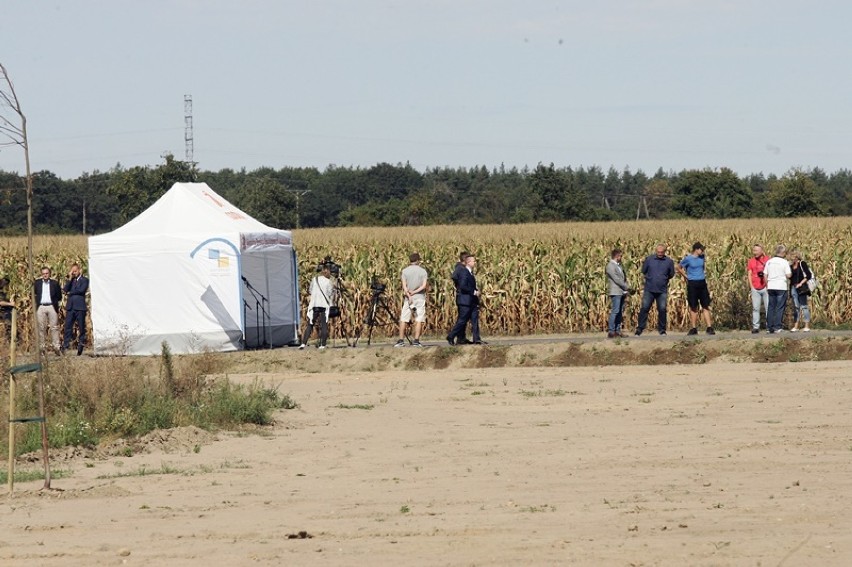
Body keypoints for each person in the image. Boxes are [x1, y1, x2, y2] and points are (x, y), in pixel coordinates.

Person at [635, 244, 675, 336]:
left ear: (665, 252)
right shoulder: (649, 259)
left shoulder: (669, 261)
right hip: (649, 288)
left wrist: (663, 279)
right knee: (644, 308)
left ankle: (662, 330)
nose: (660, 254)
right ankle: (639, 329)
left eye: (662, 252)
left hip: (662, 290)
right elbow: (644, 271)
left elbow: (671, 274)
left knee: (662, 309)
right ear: (655, 251)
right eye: (658, 252)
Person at [676, 242, 715, 335]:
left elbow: (703, 267)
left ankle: (709, 327)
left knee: (705, 305)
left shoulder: (702, 257)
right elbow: (678, 267)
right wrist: (686, 276)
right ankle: (694, 328)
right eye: (701, 249)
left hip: (702, 283)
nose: (702, 251)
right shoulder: (688, 259)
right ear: (696, 249)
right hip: (692, 283)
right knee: (693, 306)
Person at [447, 253, 482, 345]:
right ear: (468, 262)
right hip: (465, 300)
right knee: (462, 320)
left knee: (475, 320)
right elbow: (463, 286)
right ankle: (451, 336)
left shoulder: (469, 272)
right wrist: (474, 292)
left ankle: (477, 339)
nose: (475, 262)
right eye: (473, 261)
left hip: (472, 301)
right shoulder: (463, 272)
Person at [395, 253, 428, 347]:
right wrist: (415, 292)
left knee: (404, 319)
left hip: (408, 298)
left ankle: (401, 340)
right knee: (419, 319)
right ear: (418, 260)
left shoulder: (405, 271)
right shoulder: (423, 271)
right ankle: (416, 341)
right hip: (419, 297)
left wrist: (409, 294)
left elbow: (404, 285)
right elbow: (424, 286)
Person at [299, 263, 335, 349]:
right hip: (324, 305)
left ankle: (303, 343)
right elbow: (330, 293)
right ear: (327, 272)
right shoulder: (328, 282)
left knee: (310, 323)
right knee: (324, 324)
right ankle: (323, 344)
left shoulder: (314, 280)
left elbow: (310, 290)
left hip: (314, 304)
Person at [62, 263, 89, 355]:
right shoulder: (71, 281)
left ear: (79, 270)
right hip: (71, 307)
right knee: (68, 327)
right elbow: (65, 290)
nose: (74, 273)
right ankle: (65, 345)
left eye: (75, 271)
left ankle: (81, 344)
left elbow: (81, 290)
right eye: (72, 271)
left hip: (80, 307)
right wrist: (69, 279)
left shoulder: (85, 280)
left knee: (81, 327)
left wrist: (70, 293)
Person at [33, 266, 62, 354]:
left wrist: (55, 304)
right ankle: (42, 348)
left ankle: (56, 347)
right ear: (41, 274)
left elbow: (59, 296)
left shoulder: (54, 283)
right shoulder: (37, 283)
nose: (45, 275)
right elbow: (34, 293)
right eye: (43, 274)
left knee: (54, 327)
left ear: (49, 274)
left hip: (51, 306)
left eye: (46, 273)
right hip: (41, 307)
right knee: (41, 328)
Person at [764, 245, 791, 334]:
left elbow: (765, 275)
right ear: (783, 253)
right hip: (781, 286)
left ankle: (769, 327)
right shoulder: (784, 262)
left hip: (771, 286)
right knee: (779, 307)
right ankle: (777, 327)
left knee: (771, 307)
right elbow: (788, 275)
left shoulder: (769, 262)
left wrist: (767, 285)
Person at [605, 248, 630, 338]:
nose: (621, 257)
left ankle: (618, 330)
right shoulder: (610, 266)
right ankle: (611, 331)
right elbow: (616, 279)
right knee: (615, 311)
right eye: (620, 256)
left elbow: (622, 278)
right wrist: (626, 286)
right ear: (617, 256)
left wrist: (625, 289)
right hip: (615, 291)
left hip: (621, 291)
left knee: (619, 311)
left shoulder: (619, 266)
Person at [449, 251, 472, 345]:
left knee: (464, 318)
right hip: (463, 297)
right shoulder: (460, 269)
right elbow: (454, 277)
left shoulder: (462, 268)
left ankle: (461, 338)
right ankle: (451, 336)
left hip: (464, 296)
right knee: (462, 318)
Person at [746, 244, 770, 334]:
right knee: (756, 308)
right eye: (754, 250)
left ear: (761, 251)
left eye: (756, 250)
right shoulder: (751, 261)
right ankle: (756, 327)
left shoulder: (767, 260)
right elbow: (749, 273)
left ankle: (769, 325)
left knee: (768, 307)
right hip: (755, 287)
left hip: (765, 287)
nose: (754, 252)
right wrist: (751, 286)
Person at [789, 249, 813, 332]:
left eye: (793, 257)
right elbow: (791, 277)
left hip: (801, 288)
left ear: (797, 257)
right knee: (796, 307)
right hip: (793, 288)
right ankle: (796, 326)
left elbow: (808, 275)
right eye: (791, 257)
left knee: (804, 306)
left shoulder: (802, 263)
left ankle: (806, 325)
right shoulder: (791, 266)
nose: (791, 259)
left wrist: (801, 283)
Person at [0, 277, 14, 342]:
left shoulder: (4, 292)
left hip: (7, 310)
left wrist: (11, 299)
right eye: (5, 283)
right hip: (2, 312)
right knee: (8, 323)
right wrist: (10, 304)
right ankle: (8, 339)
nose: (6, 285)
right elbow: (1, 303)